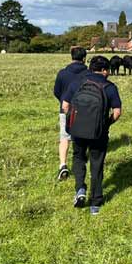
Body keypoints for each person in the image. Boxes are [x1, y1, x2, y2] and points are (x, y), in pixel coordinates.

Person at [62, 56, 122, 215]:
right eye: (108, 70)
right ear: (104, 70)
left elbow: (65, 105)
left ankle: (80, 189)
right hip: (99, 133)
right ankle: (95, 203)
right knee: (97, 164)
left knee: (78, 158)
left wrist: (72, 121)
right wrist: (106, 124)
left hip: (77, 131)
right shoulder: (110, 87)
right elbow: (117, 112)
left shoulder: (77, 82)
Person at [53, 46, 88, 180]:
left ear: (71, 57)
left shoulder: (62, 73)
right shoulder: (88, 73)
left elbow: (56, 91)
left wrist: (64, 100)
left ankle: (63, 165)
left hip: (65, 109)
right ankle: (81, 159)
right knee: (83, 136)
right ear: (84, 58)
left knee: (64, 137)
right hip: (85, 109)